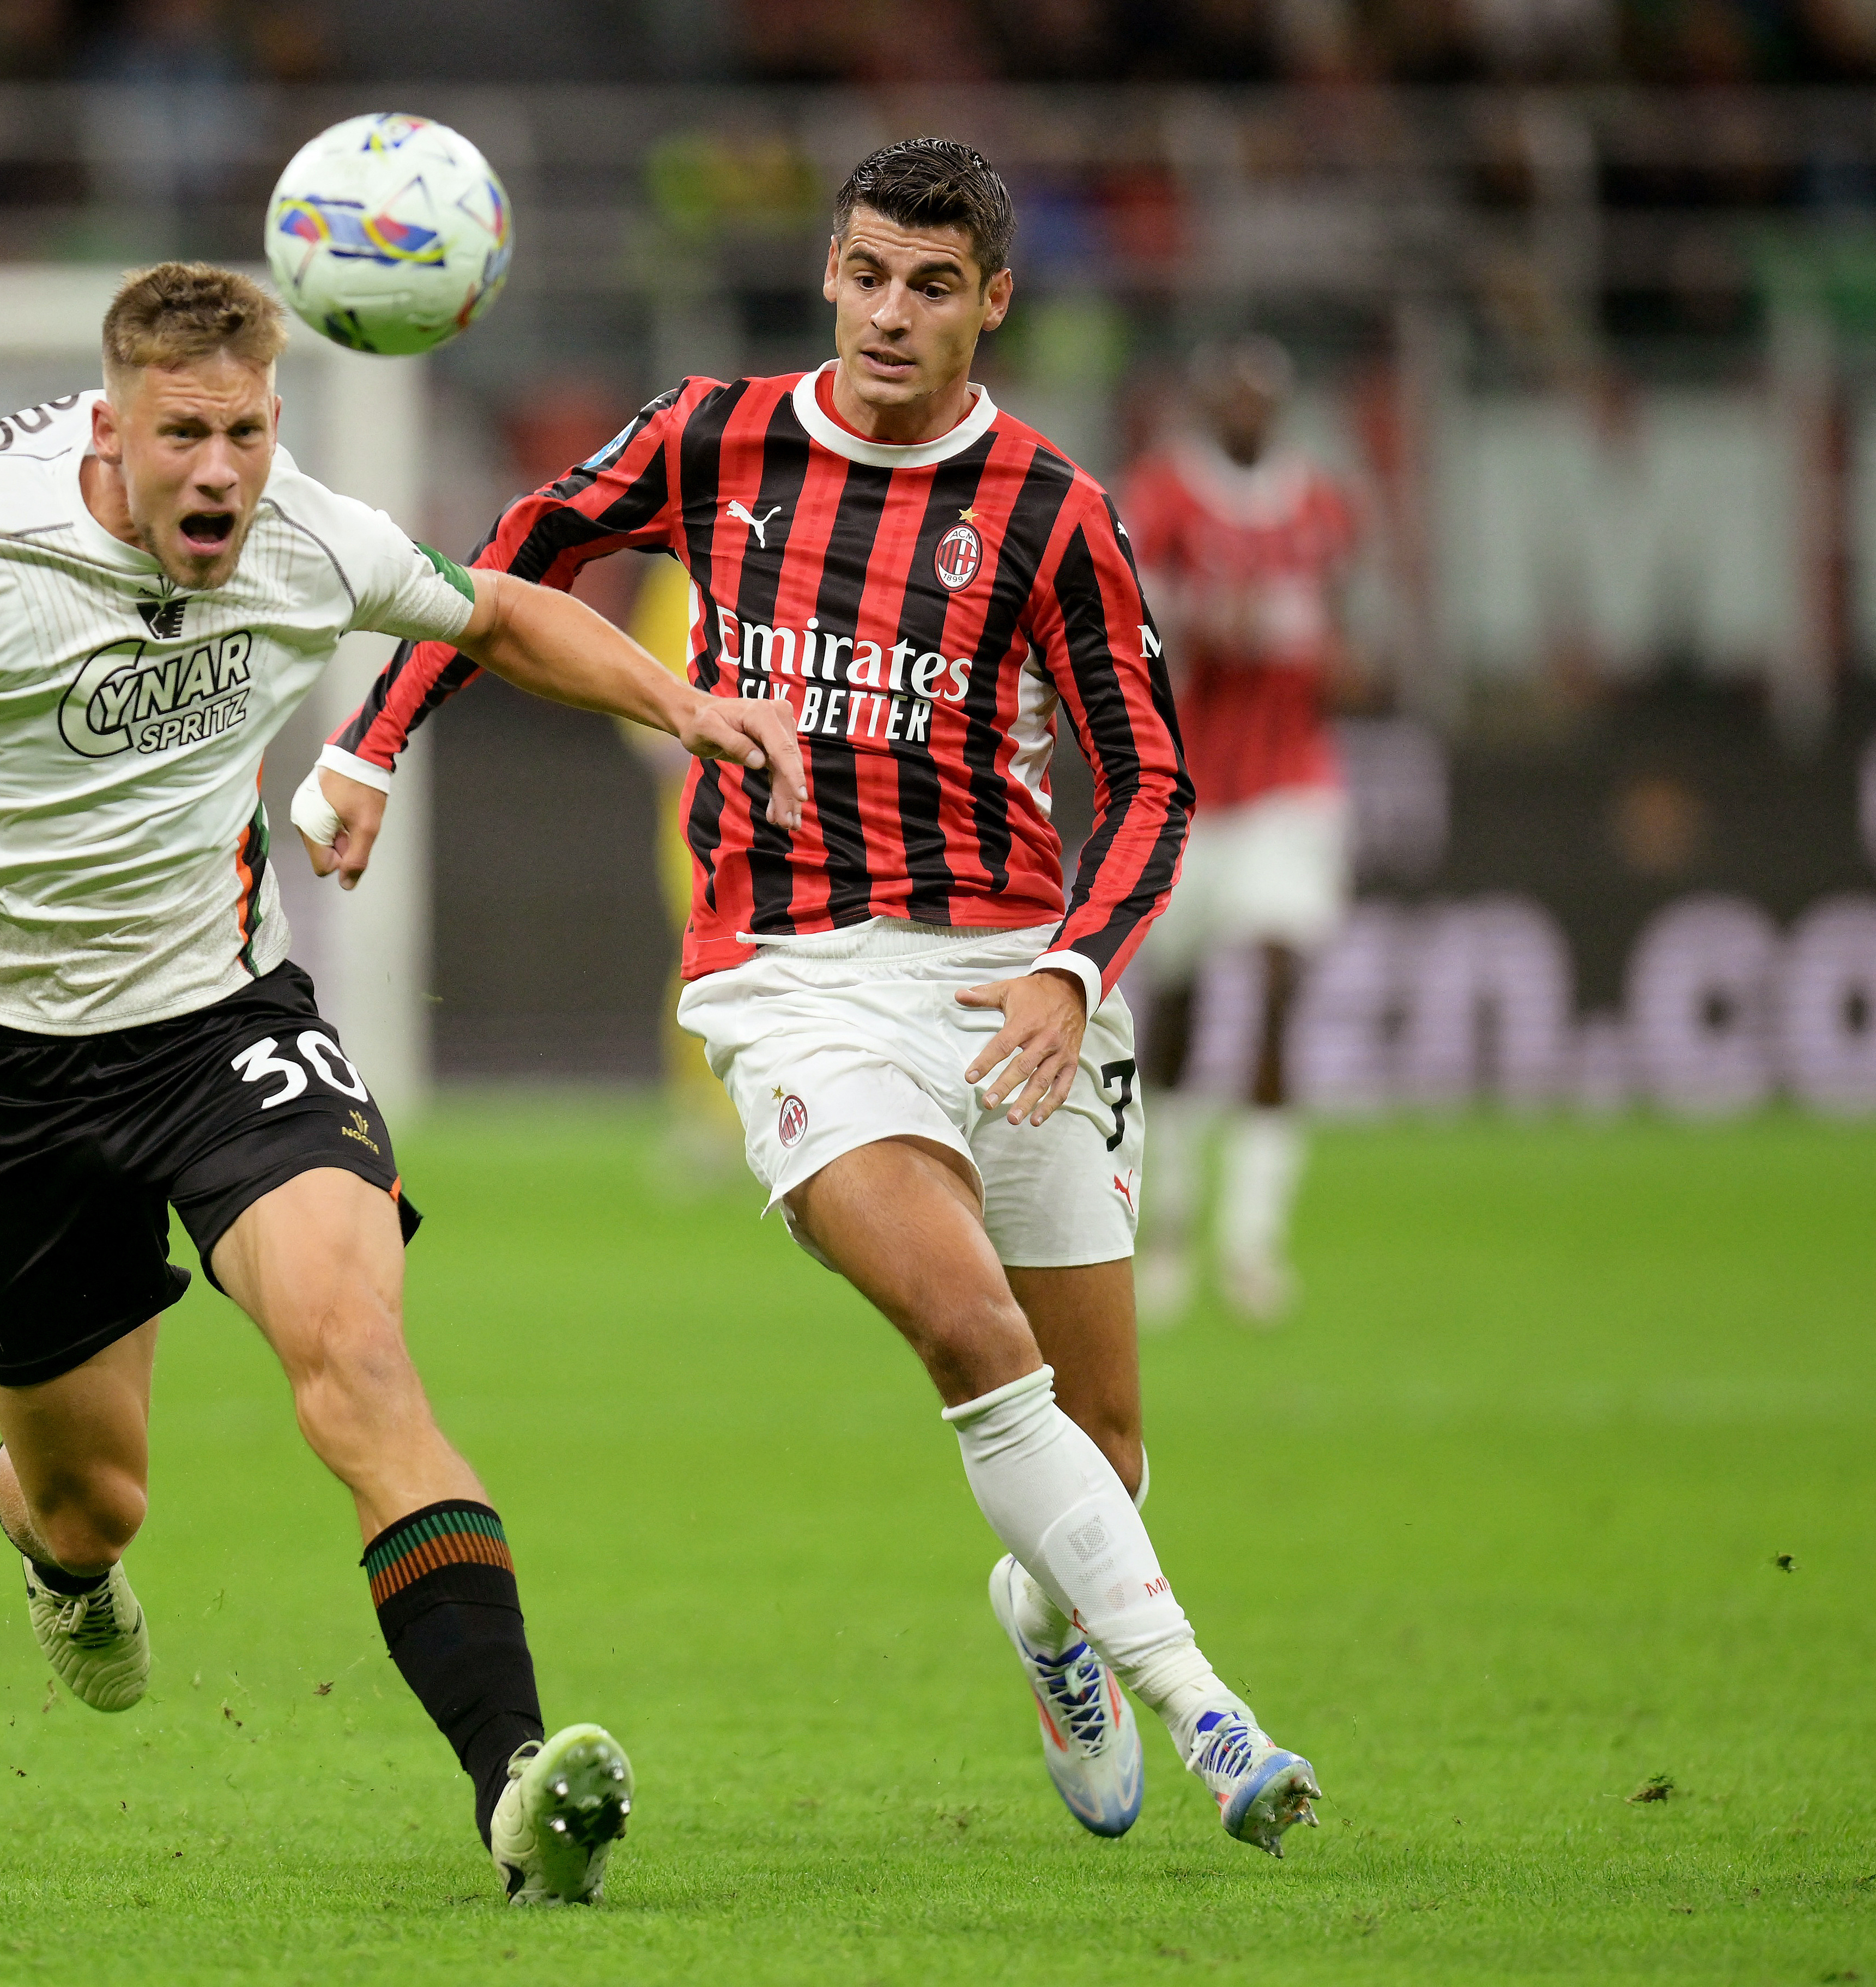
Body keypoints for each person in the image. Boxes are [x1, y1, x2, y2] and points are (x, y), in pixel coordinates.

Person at [0, 261, 805, 1903]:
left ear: (273, 421)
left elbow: (495, 609)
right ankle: (59, 1561)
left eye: (240, 432)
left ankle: (515, 1780)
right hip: (6, 1070)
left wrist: (676, 698)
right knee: (93, 1497)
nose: (215, 471)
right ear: (111, 424)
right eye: (179, 437)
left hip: (225, 1025)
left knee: (356, 1350)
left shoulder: (305, 530)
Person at [293, 141, 1325, 1856]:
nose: (888, 315)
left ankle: (1051, 1619)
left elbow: (1149, 781)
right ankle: (1211, 1710)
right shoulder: (718, 433)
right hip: (791, 982)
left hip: (1008, 980)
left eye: (931, 285)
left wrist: (1075, 968)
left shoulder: (1056, 510)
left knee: (1107, 1449)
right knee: (970, 1338)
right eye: (863, 275)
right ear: (827, 275)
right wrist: (368, 740)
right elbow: (510, 560)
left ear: (993, 298)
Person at [1119, 336, 1361, 1325]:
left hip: (1291, 787)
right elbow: (1132, 631)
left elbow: (1344, 642)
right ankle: (1170, 1218)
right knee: (1175, 1005)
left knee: (1279, 980)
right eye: (1235, 399)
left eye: (1265, 400)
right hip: (1191, 791)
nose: (1249, 415)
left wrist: (1319, 651)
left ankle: (1254, 1243)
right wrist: (1208, 627)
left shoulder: (1320, 506)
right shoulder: (1166, 499)